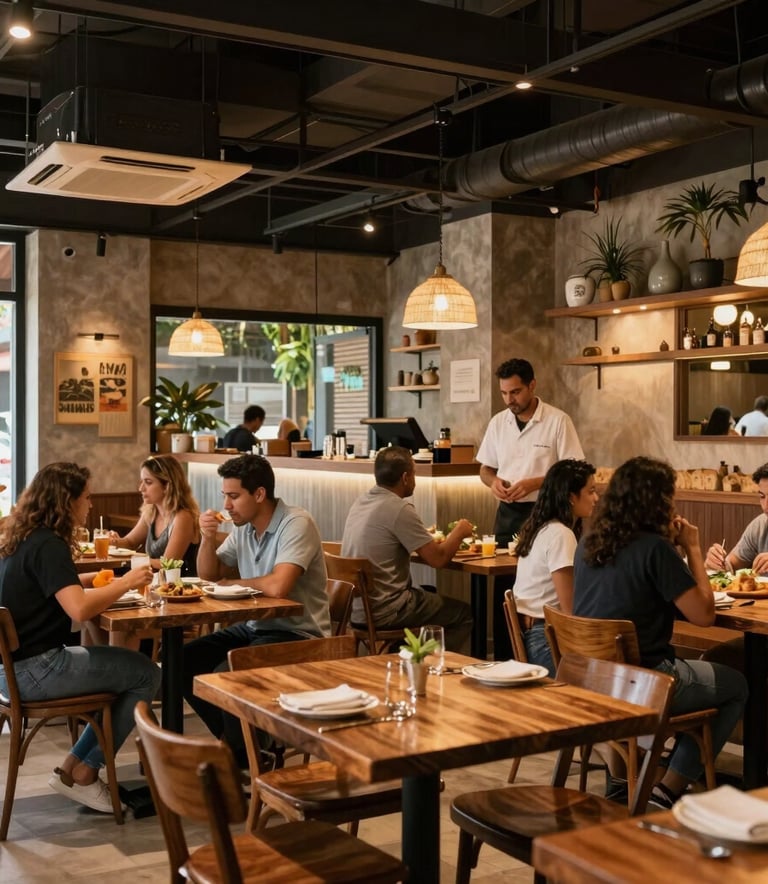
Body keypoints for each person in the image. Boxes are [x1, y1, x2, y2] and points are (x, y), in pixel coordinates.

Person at [573, 456, 747, 809]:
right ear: (657, 501)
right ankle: (669, 787)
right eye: (670, 497)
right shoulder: (655, 549)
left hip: (590, 679)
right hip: (644, 684)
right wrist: (693, 548)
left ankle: (630, 778)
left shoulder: (588, 544)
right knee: (737, 685)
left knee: (714, 662)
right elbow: (704, 615)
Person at [0, 462, 159, 813]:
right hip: (38, 670)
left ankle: (74, 767)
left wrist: (94, 581)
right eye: (86, 498)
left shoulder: (25, 537)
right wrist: (125, 583)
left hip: (13, 670)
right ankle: (87, 771)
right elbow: (79, 611)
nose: (90, 505)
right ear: (66, 501)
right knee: (146, 672)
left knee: (130, 670)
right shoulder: (49, 545)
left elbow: (54, 589)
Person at [181, 454, 330, 763]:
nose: (226, 505)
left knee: (226, 676)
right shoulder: (244, 528)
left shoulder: (296, 523)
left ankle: (245, 754)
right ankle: (243, 748)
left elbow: (279, 586)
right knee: (181, 662)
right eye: (225, 496)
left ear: (259, 494)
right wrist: (207, 539)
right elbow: (209, 574)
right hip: (256, 628)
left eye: (234, 496)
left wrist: (232, 583)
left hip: (301, 637)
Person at [476, 357, 584, 655]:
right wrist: (493, 482)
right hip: (509, 515)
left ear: (532, 385)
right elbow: (485, 469)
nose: (510, 399)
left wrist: (536, 483)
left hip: (550, 516)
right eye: (505, 393)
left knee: (546, 589)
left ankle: (548, 650)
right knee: (505, 590)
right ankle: (504, 658)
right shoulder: (499, 423)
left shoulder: (558, 421)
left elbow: (575, 469)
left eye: (516, 392)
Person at [341, 446, 474, 652]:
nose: (415, 480)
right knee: (463, 614)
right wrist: (459, 531)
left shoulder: (362, 501)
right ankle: (428, 666)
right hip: (387, 610)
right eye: (414, 474)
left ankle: (403, 655)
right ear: (405, 477)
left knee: (429, 593)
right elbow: (437, 560)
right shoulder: (399, 508)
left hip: (357, 609)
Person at [512, 459, 598, 675]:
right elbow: (570, 610)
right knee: (621, 675)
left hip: (534, 634)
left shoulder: (542, 528)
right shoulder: (561, 534)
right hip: (547, 641)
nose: (596, 498)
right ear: (571, 497)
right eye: (591, 491)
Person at [108, 454, 200, 574]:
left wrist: (135, 560)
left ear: (167, 486)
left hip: (180, 588)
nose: (141, 488)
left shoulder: (183, 517)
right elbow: (130, 542)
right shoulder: (151, 512)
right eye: (142, 482)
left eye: (148, 482)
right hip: (154, 583)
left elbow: (168, 564)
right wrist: (113, 541)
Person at [705, 462, 768, 573]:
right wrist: (718, 563)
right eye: (762, 497)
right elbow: (731, 565)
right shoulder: (760, 526)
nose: (765, 506)